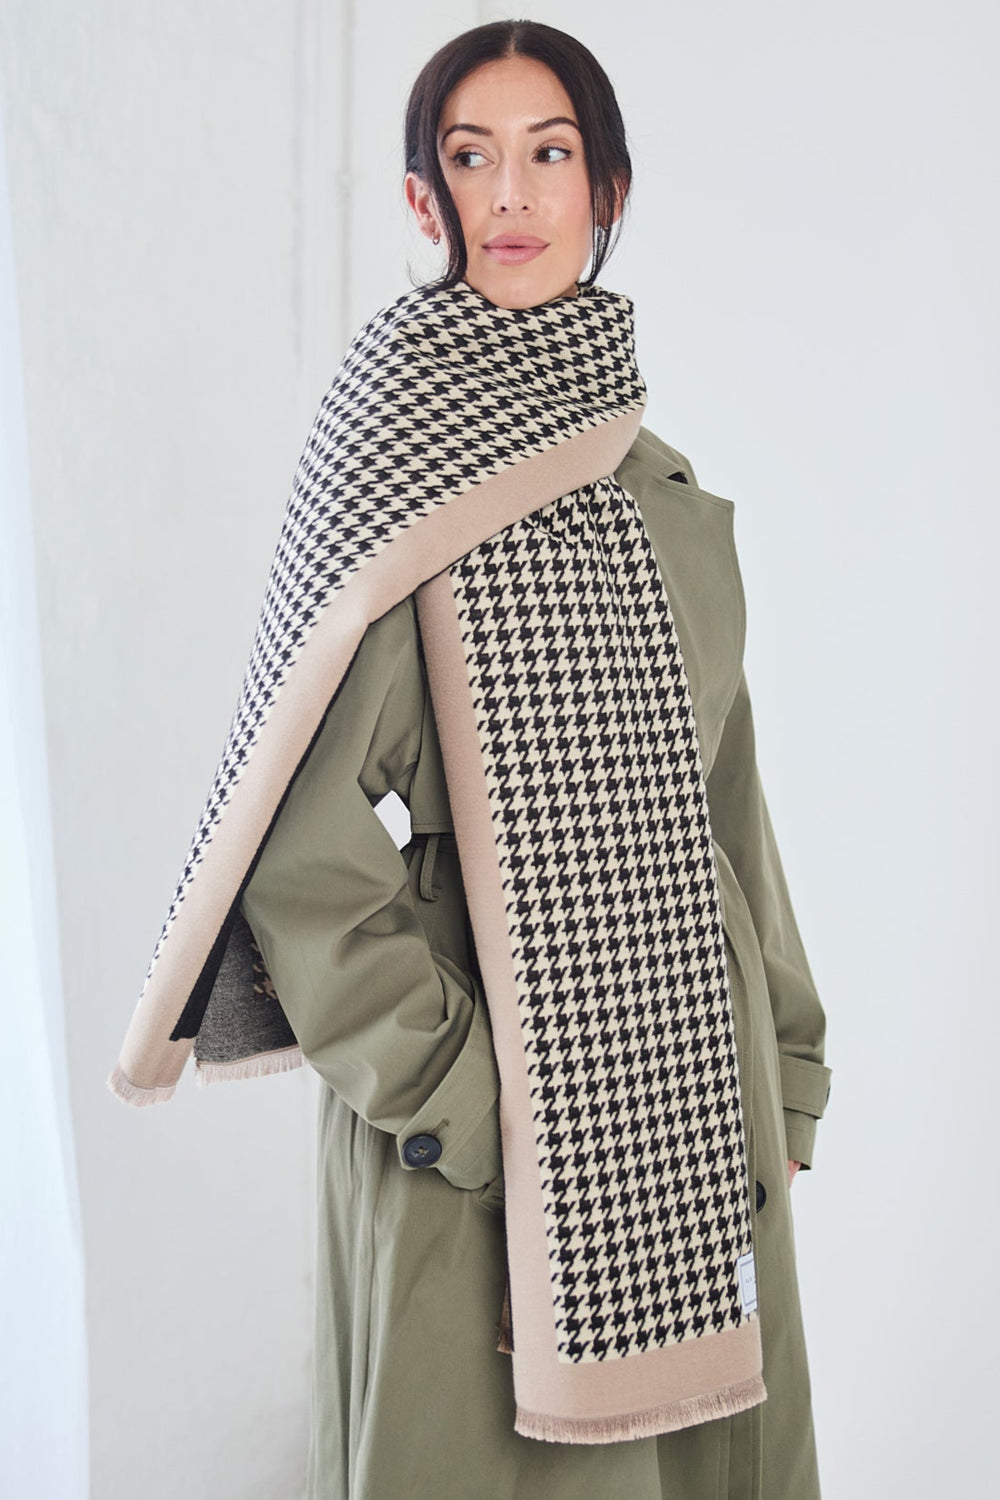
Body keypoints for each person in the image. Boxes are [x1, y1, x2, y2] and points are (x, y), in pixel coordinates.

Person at [109, 18, 831, 1500]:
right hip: (480, 1132)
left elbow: (728, 803)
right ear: (421, 197)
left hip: (697, 1101)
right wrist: (467, 1099)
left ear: (607, 186)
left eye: (549, 153)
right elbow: (297, 856)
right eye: (470, 156)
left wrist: (790, 1068)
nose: (511, 193)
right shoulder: (391, 473)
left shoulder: (665, 494)